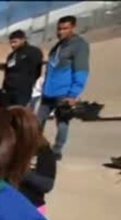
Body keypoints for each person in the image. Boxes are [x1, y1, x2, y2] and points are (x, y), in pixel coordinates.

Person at [37, 15, 90, 160]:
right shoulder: (57, 47)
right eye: (59, 29)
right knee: (37, 121)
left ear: (73, 27)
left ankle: (56, 150)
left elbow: (81, 71)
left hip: (64, 92)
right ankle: (38, 146)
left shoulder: (79, 45)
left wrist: (73, 94)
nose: (60, 32)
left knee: (62, 122)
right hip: (48, 91)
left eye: (65, 28)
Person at [2, 30, 43, 107]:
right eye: (11, 43)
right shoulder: (11, 56)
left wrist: (30, 84)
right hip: (10, 91)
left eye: (15, 42)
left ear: (23, 40)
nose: (12, 45)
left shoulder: (33, 52)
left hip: (24, 91)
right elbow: (7, 72)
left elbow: (36, 69)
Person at [19, 130, 57, 215]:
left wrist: (23, 173)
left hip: (33, 206)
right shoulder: (6, 149)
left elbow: (47, 184)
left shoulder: (44, 151)